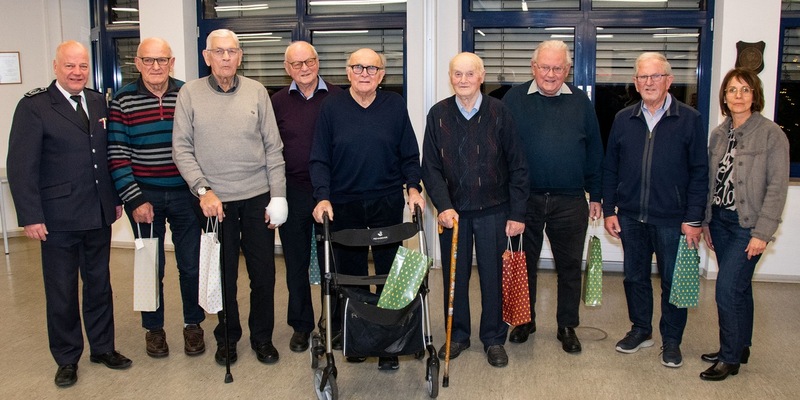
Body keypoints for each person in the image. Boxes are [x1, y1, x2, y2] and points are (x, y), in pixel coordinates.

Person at [6, 40, 132, 388]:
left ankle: (103, 348)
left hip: (97, 212)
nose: (77, 72)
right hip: (57, 218)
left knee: (99, 286)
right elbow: (20, 165)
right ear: (55, 67)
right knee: (61, 290)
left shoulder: (96, 100)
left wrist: (114, 198)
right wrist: (31, 215)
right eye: (69, 66)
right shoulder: (34, 107)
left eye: (82, 66)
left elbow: (104, 156)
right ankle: (66, 357)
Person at [172, 29, 288, 367]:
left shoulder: (256, 92)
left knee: (263, 274)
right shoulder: (190, 94)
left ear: (240, 56)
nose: (225, 58)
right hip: (214, 202)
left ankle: (262, 338)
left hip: (256, 196)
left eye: (232, 52)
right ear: (207, 57)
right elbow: (181, 148)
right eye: (218, 52)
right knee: (221, 276)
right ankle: (227, 336)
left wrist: (277, 195)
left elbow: (273, 147)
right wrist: (202, 190)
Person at [309, 48, 426, 371]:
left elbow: (409, 155)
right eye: (358, 67)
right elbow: (319, 158)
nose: (364, 73)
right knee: (354, 274)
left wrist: (413, 188)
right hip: (344, 203)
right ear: (348, 72)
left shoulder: (394, 105)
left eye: (372, 68)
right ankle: (358, 337)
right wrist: (322, 196)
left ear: (381, 75)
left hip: (386, 200)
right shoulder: (331, 107)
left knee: (390, 272)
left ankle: (390, 341)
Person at [422, 52, 528, 368]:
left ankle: (494, 338)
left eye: (470, 74)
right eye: (458, 74)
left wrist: (517, 213)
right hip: (454, 213)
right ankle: (458, 336)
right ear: (451, 77)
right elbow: (430, 167)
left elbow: (518, 166)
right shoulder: (437, 114)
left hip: (494, 211)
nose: (464, 80)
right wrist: (443, 206)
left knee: (494, 278)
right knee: (455, 278)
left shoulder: (500, 113)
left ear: (481, 77)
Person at [602, 52, 708, 368]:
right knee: (634, 277)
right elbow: (610, 168)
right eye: (643, 77)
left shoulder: (690, 119)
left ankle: (672, 341)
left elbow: (700, 172)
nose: (649, 82)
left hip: (673, 219)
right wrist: (610, 209)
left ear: (668, 81)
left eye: (655, 76)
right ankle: (641, 330)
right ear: (635, 82)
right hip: (631, 215)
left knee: (673, 281)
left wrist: (693, 218)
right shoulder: (623, 119)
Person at [502, 40, 604, 353]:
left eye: (557, 68)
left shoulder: (580, 102)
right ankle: (525, 320)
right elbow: (500, 150)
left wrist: (596, 195)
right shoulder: (513, 99)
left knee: (570, 267)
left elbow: (595, 151)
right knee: (524, 264)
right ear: (533, 68)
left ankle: (567, 325)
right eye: (544, 67)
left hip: (570, 201)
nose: (550, 74)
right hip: (524, 201)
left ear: (567, 70)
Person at [107, 37, 205, 359]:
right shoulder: (123, 100)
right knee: (152, 266)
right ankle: (154, 330)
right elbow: (118, 154)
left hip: (185, 194)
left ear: (172, 62)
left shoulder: (187, 94)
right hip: (145, 195)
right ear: (137, 63)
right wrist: (134, 200)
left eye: (162, 60)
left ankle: (194, 325)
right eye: (148, 60)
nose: (155, 67)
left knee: (191, 266)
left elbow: (199, 145)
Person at [699, 68, 789, 381]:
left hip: (747, 225)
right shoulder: (719, 134)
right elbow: (711, 182)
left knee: (726, 290)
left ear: (755, 96)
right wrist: (707, 222)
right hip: (720, 222)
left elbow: (777, 187)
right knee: (739, 289)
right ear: (724, 96)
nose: (738, 96)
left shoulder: (770, 134)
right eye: (732, 90)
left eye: (745, 90)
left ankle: (729, 358)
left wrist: (763, 233)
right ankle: (741, 345)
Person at [271, 41, 342, 353]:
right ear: (287, 68)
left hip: (334, 193)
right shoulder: (276, 103)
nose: (304, 68)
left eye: (309, 61)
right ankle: (301, 325)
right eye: (296, 64)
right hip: (294, 192)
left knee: (337, 262)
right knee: (296, 264)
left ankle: (339, 323)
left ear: (318, 62)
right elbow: (269, 149)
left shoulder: (339, 97)